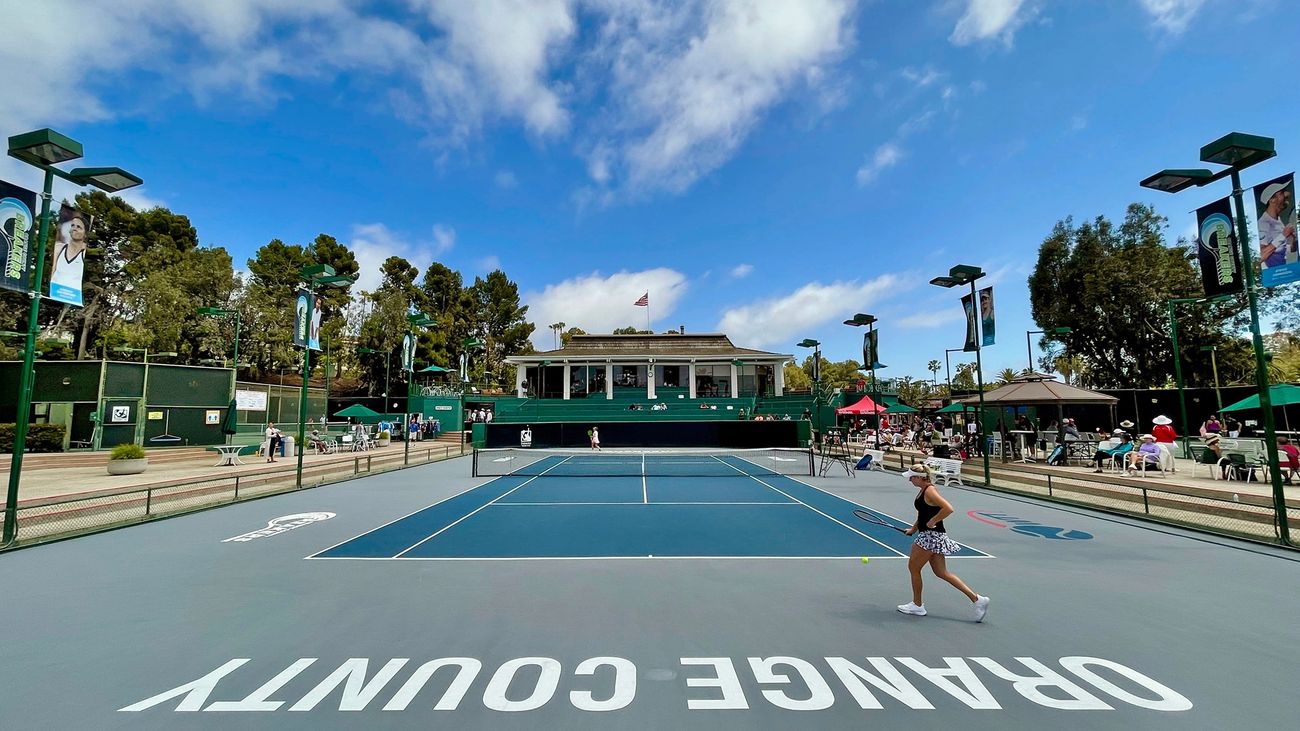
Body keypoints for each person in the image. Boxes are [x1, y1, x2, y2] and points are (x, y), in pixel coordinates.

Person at [896, 464, 990, 622]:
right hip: (931, 535)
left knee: (913, 567)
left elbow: (948, 508)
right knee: (941, 572)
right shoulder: (923, 490)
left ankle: (917, 605)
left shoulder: (930, 491)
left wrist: (933, 521)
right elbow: (923, 513)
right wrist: (913, 529)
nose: (910, 480)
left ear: (920, 477)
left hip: (931, 537)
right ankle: (978, 599)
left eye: (911, 477)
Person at [49, 207, 88, 306]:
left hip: (72, 296)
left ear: (85, 234)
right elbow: (53, 270)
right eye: (72, 225)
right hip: (55, 293)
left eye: (79, 227)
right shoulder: (59, 248)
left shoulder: (83, 253)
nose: (74, 228)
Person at [1257, 181, 1297, 269]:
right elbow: (1262, 256)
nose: (1286, 195)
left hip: (1282, 273)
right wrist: (1283, 235)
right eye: (1281, 193)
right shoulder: (1264, 223)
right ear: (1272, 200)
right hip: (1270, 274)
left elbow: (1284, 251)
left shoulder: (1278, 219)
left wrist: (1293, 240)